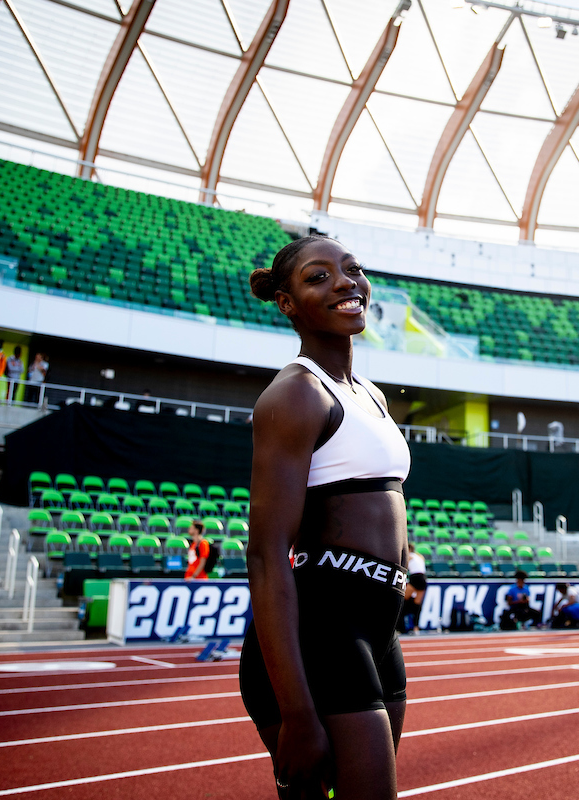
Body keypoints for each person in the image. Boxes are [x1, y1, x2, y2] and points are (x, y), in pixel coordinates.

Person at [238, 234, 412, 800]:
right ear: (286, 304)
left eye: (352, 270)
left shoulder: (372, 395)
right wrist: (297, 713)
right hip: (322, 631)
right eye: (318, 277)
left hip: (377, 630)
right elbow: (266, 556)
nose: (345, 282)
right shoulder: (295, 395)